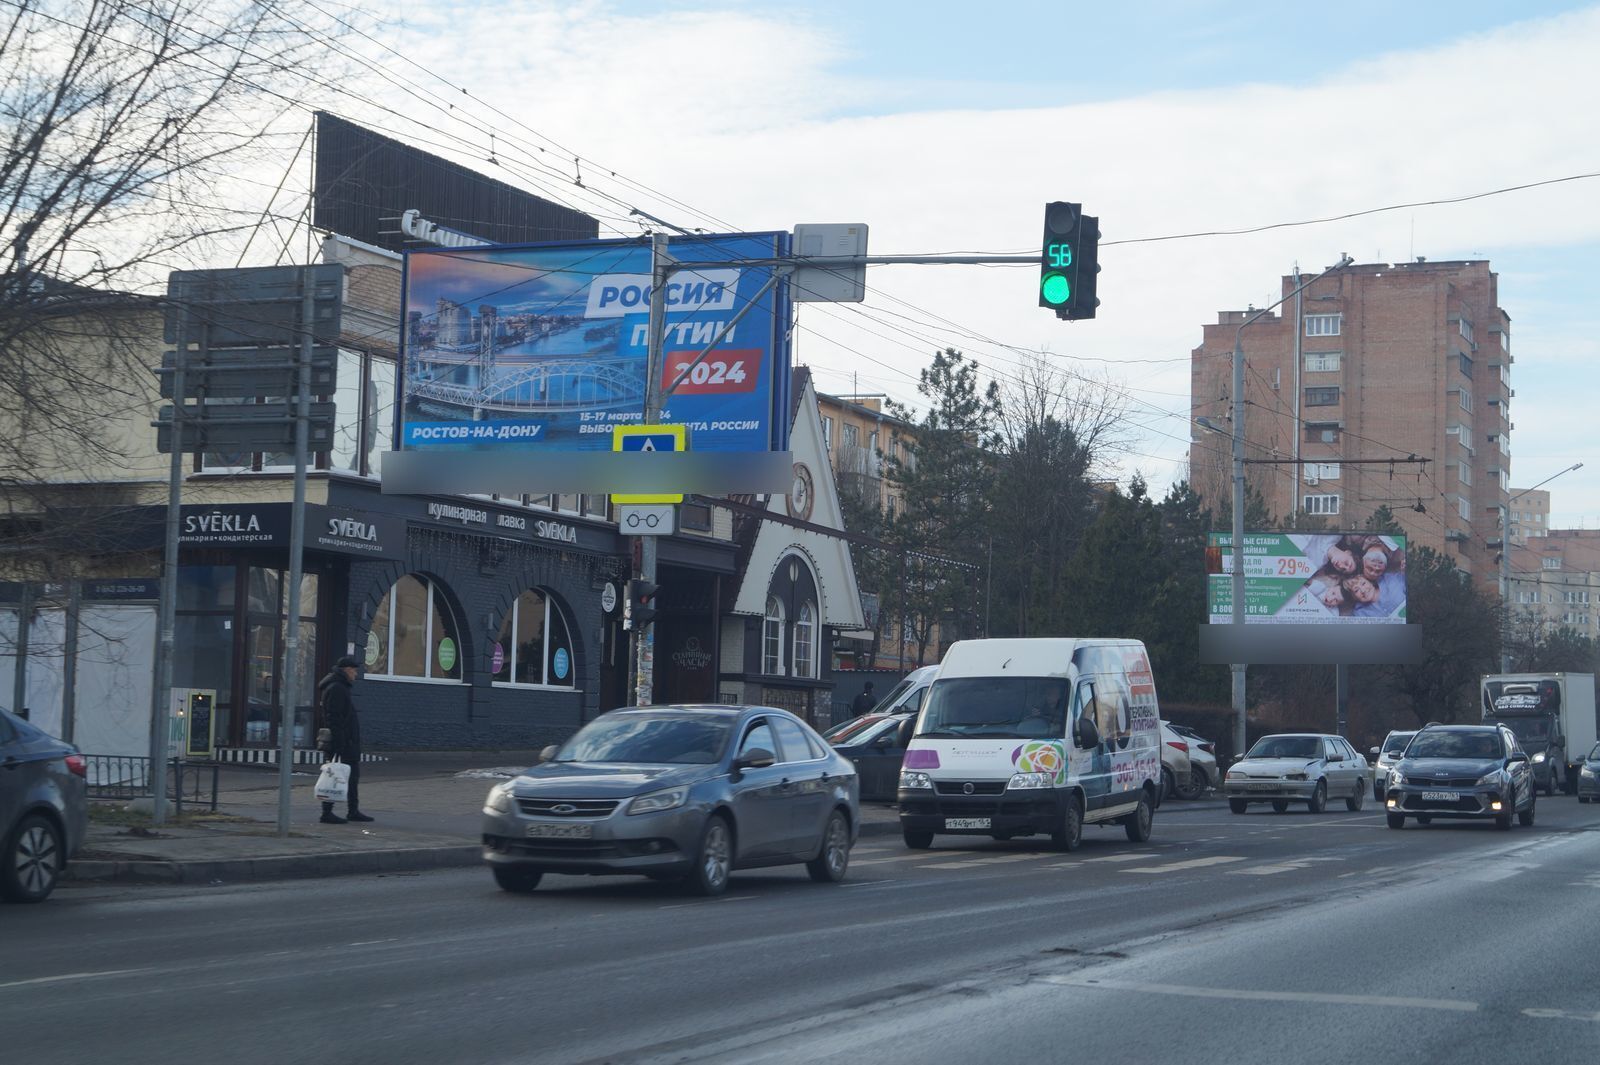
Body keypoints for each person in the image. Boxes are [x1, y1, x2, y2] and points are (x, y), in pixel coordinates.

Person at [318, 655, 372, 824]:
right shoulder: (337, 688)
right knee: (335, 776)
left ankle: (352, 810)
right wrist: (340, 742)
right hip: (343, 742)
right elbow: (333, 717)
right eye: (354, 671)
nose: (355, 674)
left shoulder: (339, 686)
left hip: (346, 740)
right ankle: (328, 813)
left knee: (347, 776)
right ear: (347, 670)